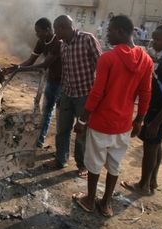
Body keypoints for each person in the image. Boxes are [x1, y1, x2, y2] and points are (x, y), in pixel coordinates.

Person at [72, 15, 153, 217]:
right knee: (114, 165)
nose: (107, 35)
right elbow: (145, 93)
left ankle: (90, 200)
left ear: (120, 31)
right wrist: (139, 120)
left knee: (94, 163)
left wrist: (82, 119)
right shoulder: (146, 60)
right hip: (124, 124)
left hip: (101, 123)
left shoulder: (108, 58)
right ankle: (106, 204)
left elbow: (97, 93)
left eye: (109, 31)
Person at [121, 23, 162, 196]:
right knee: (156, 143)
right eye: (153, 38)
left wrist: (156, 122)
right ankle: (153, 180)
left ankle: (143, 184)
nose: (153, 43)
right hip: (161, 109)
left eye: (158, 39)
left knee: (150, 144)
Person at [45, 15, 102, 178]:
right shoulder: (63, 45)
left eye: (56, 29)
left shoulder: (87, 39)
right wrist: (61, 95)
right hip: (67, 94)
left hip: (85, 95)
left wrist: (97, 94)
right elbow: (66, 72)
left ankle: (82, 164)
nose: (55, 33)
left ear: (63, 27)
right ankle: (60, 159)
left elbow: (101, 65)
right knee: (62, 129)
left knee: (82, 132)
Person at [4, 17, 62, 148]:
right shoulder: (41, 42)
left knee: (61, 118)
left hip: (64, 83)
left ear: (47, 30)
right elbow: (31, 60)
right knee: (46, 112)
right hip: (51, 80)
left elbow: (44, 65)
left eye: (38, 31)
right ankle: (39, 141)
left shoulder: (58, 42)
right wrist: (16, 69)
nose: (37, 34)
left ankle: (59, 149)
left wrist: (21, 69)